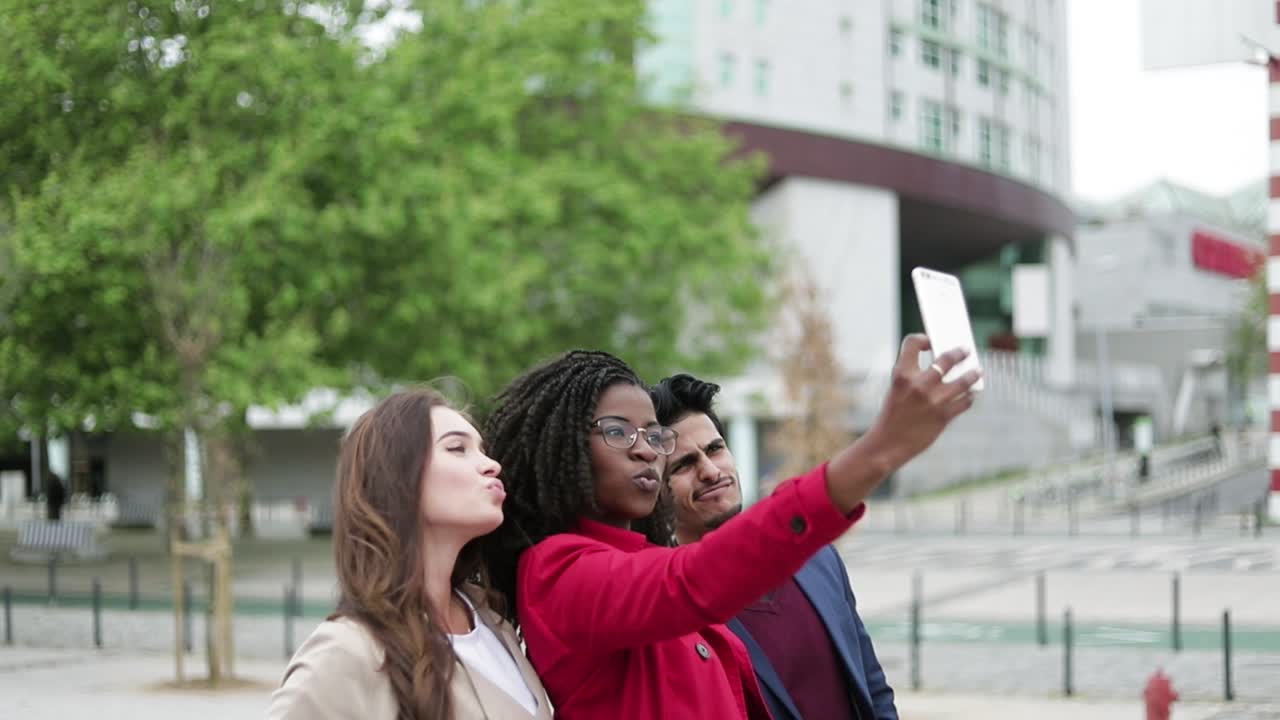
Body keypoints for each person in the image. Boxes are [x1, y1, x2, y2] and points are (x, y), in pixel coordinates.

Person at [480, 341, 977, 720]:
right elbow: (694, 579)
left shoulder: (644, 559)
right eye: (617, 431)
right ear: (562, 446)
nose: (645, 449)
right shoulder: (556, 572)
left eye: (654, 435)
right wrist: (880, 450)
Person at [268, 388, 551, 720]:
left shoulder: (495, 624)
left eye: (483, 450)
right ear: (397, 477)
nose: (492, 465)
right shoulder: (349, 651)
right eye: (457, 448)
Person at [651, 373, 897, 720]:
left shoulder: (817, 556)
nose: (710, 471)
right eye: (684, 465)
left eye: (715, 449)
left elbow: (872, 687)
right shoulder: (668, 607)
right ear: (657, 490)